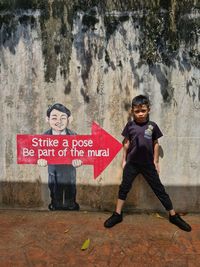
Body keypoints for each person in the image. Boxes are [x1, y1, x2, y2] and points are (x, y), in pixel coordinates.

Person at [104, 95, 192, 232]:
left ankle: (173, 215)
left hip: (148, 165)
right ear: (132, 111)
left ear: (148, 110)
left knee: (159, 189)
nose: (140, 114)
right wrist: (124, 160)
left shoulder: (152, 126)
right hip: (132, 164)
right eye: (137, 111)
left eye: (143, 111)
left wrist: (156, 162)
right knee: (124, 187)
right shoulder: (130, 126)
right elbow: (126, 144)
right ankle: (117, 214)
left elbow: (156, 144)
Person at [37, 103, 82, 211]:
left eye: (63, 118)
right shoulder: (44, 137)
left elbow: (81, 151)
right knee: (54, 187)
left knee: (70, 187)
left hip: (69, 169)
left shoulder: (74, 136)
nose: (59, 121)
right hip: (53, 169)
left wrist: (79, 160)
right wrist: (41, 159)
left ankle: (71, 204)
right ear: (47, 119)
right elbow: (38, 152)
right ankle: (55, 204)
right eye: (54, 118)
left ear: (69, 119)